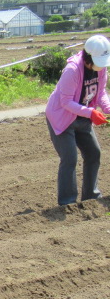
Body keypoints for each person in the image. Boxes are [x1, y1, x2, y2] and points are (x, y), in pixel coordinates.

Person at [45, 34, 109, 206]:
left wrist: (108, 109)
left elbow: (101, 92)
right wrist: (91, 113)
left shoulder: (101, 69)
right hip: (62, 118)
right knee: (70, 158)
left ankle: (90, 196)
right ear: (88, 57)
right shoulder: (72, 70)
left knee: (93, 153)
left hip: (83, 115)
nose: (101, 67)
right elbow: (65, 102)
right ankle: (68, 202)